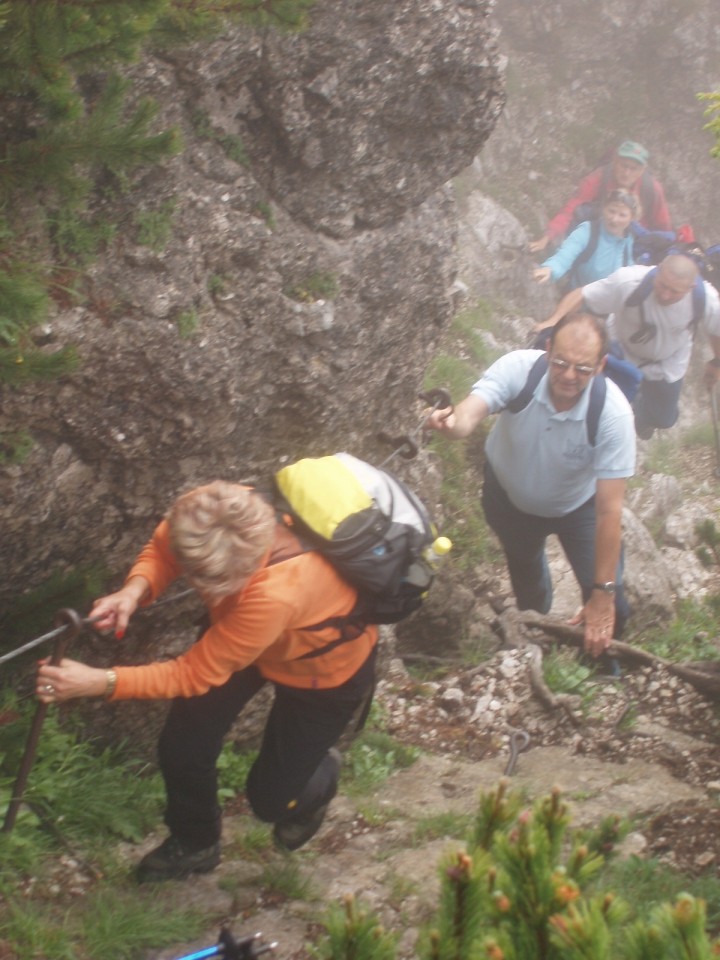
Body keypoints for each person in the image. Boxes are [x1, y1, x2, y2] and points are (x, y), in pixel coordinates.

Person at [35, 482, 378, 881]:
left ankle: (320, 776)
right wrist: (133, 591)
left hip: (322, 670)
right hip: (241, 640)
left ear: (245, 568)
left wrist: (99, 681)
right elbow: (166, 547)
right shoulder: (210, 511)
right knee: (183, 745)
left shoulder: (277, 593)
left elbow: (194, 673)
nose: (197, 589)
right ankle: (195, 844)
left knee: (270, 801)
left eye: (207, 582)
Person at [426, 312, 636, 659]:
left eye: (582, 369)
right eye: (561, 363)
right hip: (510, 501)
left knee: (614, 602)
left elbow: (609, 510)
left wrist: (603, 592)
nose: (569, 376)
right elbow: (470, 413)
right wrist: (451, 423)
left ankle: (602, 665)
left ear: (601, 366)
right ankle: (538, 647)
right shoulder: (519, 370)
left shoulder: (613, 415)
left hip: (578, 509)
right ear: (548, 348)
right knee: (528, 586)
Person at [538, 255, 720, 439]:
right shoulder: (629, 281)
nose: (665, 295)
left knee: (663, 419)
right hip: (621, 350)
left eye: (674, 291)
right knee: (603, 404)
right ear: (658, 271)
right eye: (663, 285)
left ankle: (642, 418)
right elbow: (583, 294)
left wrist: (716, 363)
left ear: (691, 288)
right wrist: (553, 321)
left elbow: (717, 329)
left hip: (668, 363)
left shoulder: (705, 300)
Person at [529, 141, 672, 254]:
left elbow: (663, 228)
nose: (627, 173)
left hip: (634, 247)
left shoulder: (652, 189)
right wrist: (548, 237)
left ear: (642, 170)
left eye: (633, 168)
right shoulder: (598, 178)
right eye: (624, 166)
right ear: (615, 162)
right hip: (599, 238)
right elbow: (572, 209)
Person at [533, 190, 637, 290]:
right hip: (579, 301)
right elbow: (567, 253)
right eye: (611, 211)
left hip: (610, 303)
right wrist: (550, 269)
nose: (614, 219)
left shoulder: (628, 239)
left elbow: (629, 269)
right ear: (603, 209)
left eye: (622, 215)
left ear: (631, 218)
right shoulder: (588, 231)